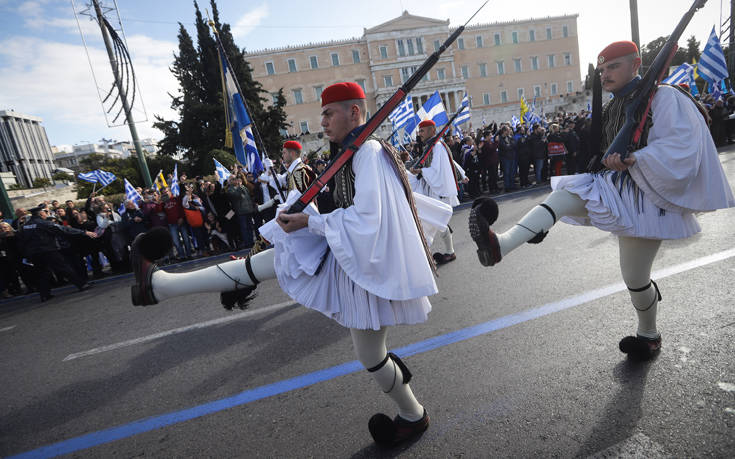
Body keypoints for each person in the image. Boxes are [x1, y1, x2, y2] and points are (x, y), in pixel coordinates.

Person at [130, 82, 452, 447]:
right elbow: (348, 211)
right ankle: (158, 286)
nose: (323, 121)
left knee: (369, 353)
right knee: (271, 265)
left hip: (366, 265)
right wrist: (310, 214)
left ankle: (413, 415)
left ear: (355, 113)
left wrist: (309, 222)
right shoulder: (352, 153)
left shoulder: (369, 153)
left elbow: (369, 220)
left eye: (329, 113)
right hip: (353, 257)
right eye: (323, 114)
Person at [469, 41, 735, 361]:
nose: (605, 74)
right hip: (615, 188)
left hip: (650, 196)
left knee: (634, 278)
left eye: (613, 67)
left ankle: (649, 335)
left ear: (636, 65)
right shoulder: (610, 108)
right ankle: (501, 244)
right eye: (602, 69)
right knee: (566, 193)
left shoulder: (663, 96)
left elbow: (683, 146)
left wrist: (636, 158)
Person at [17, 204, 97, 301]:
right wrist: (84, 232)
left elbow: (21, 240)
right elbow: (63, 229)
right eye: (45, 212)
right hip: (47, 250)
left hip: (34, 253)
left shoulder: (26, 226)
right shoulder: (43, 223)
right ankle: (82, 284)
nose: (46, 214)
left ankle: (44, 295)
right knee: (64, 267)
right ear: (41, 213)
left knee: (42, 273)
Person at [408, 119, 460, 265]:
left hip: (438, 190)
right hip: (432, 188)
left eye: (422, 131)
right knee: (437, 220)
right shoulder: (431, 146)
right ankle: (447, 252)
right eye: (419, 131)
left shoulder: (437, 146)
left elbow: (437, 169)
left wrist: (421, 171)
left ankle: (444, 253)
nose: (420, 134)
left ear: (432, 130)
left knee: (436, 221)